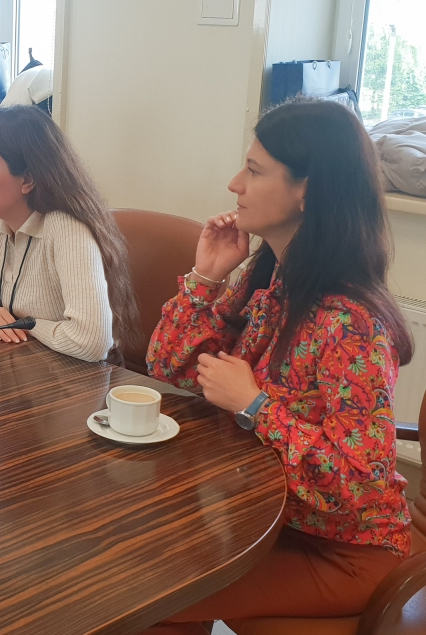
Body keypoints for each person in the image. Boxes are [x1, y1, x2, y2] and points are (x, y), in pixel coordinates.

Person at [142, 98, 413, 634]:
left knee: (154, 595)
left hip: (344, 547)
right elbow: (167, 367)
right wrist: (205, 278)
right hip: (266, 513)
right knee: (142, 559)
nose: (234, 184)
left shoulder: (352, 323)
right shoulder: (266, 275)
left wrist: (255, 406)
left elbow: (357, 486)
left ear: (307, 190)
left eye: (255, 170)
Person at [0, 105, 137, 362]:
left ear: (28, 180)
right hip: (17, 366)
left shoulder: (67, 229)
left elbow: (91, 342)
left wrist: (23, 325)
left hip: (75, 378)